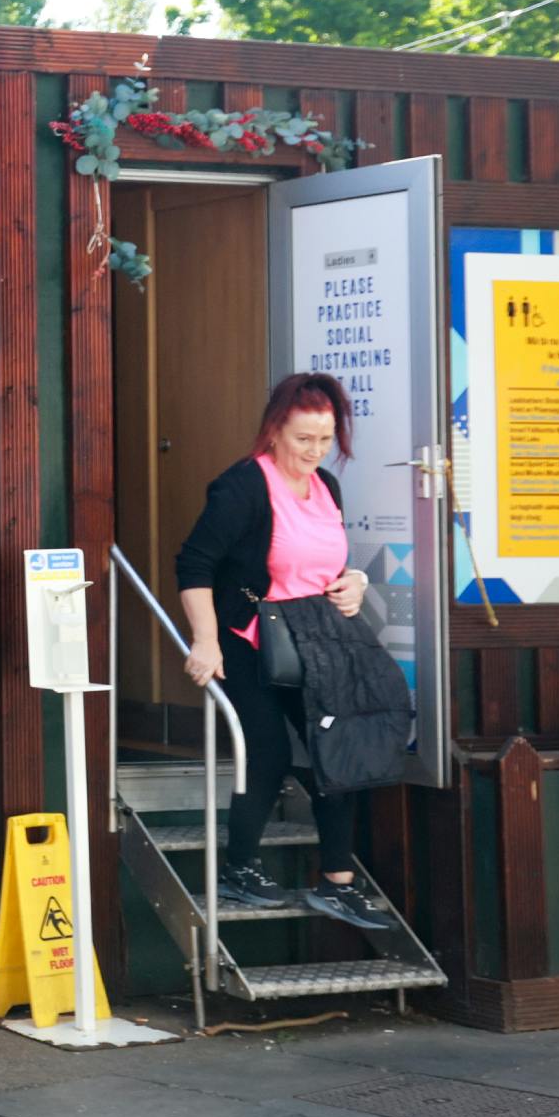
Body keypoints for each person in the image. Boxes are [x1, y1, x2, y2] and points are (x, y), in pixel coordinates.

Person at [174, 373, 396, 930]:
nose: (314, 451)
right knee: (267, 752)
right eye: (303, 439)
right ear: (274, 430)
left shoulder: (326, 487)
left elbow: (324, 564)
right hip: (251, 642)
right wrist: (204, 640)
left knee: (337, 747)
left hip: (317, 639)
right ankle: (239, 866)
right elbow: (194, 564)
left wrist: (356, 583)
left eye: (324, 440)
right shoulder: (243, 486)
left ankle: (337, 883)